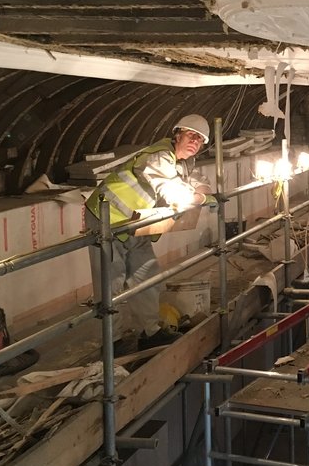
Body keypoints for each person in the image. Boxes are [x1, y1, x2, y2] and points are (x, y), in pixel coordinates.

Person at [85, 114, 216, 352]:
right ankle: (111, 342)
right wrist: (196, 198)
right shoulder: (159, 156)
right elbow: (168, 188)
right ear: (177, 134)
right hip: (107, 219)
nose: (194, 141)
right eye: (190, 135)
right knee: (110, 281)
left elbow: (202, 182)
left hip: (136, 224)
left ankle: (151, 332)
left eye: (200, 139)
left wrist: (202, 194)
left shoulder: (185, 163)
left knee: (147, 273)